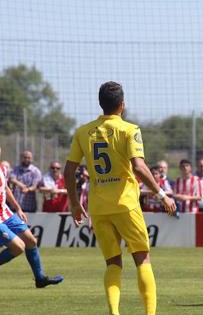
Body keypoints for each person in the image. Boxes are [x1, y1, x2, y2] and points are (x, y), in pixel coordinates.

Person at [63, 81, 177, 315]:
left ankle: (114, 312)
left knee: (113, 263)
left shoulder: (83, 131)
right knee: (142, 259)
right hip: (125, 204)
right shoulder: (129, 129)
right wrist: (162, 194)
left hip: (98, 207)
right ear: (122, 105)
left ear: (100, 104)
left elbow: (68, 170)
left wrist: (75, 203)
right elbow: (140, 167)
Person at [0, 146, 63, 288]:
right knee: (18, 247)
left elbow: (5, 188)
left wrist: (17, 208)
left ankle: (40, 279)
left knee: (30, 241)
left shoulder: (3, 168)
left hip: (6, 214)